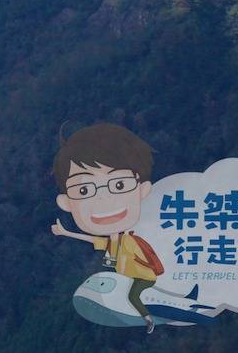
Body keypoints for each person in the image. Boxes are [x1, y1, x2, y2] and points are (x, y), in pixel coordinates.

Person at [52, 124, 166, 328]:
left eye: (119, 185)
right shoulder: (113, 243)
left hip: (144, 277)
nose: (104, 198)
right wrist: (66, 232)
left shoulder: (128, 240)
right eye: (85, 189)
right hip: (131, 278)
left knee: (131, 296)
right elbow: (91, 239)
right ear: (66, 202)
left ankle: (148, 320)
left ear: (142, 189)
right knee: (123, 293)